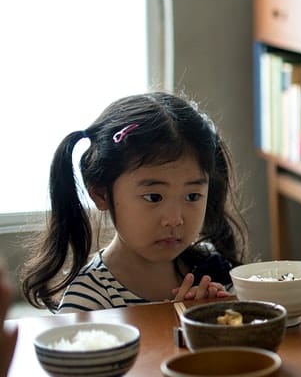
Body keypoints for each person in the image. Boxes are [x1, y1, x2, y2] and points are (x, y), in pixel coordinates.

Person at [21, 91, 248, 312]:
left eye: (192, 196)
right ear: (101, 194)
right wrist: (178, 325)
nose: (174, 219)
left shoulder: (211, 270)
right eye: (154, 197)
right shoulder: (88, 301)